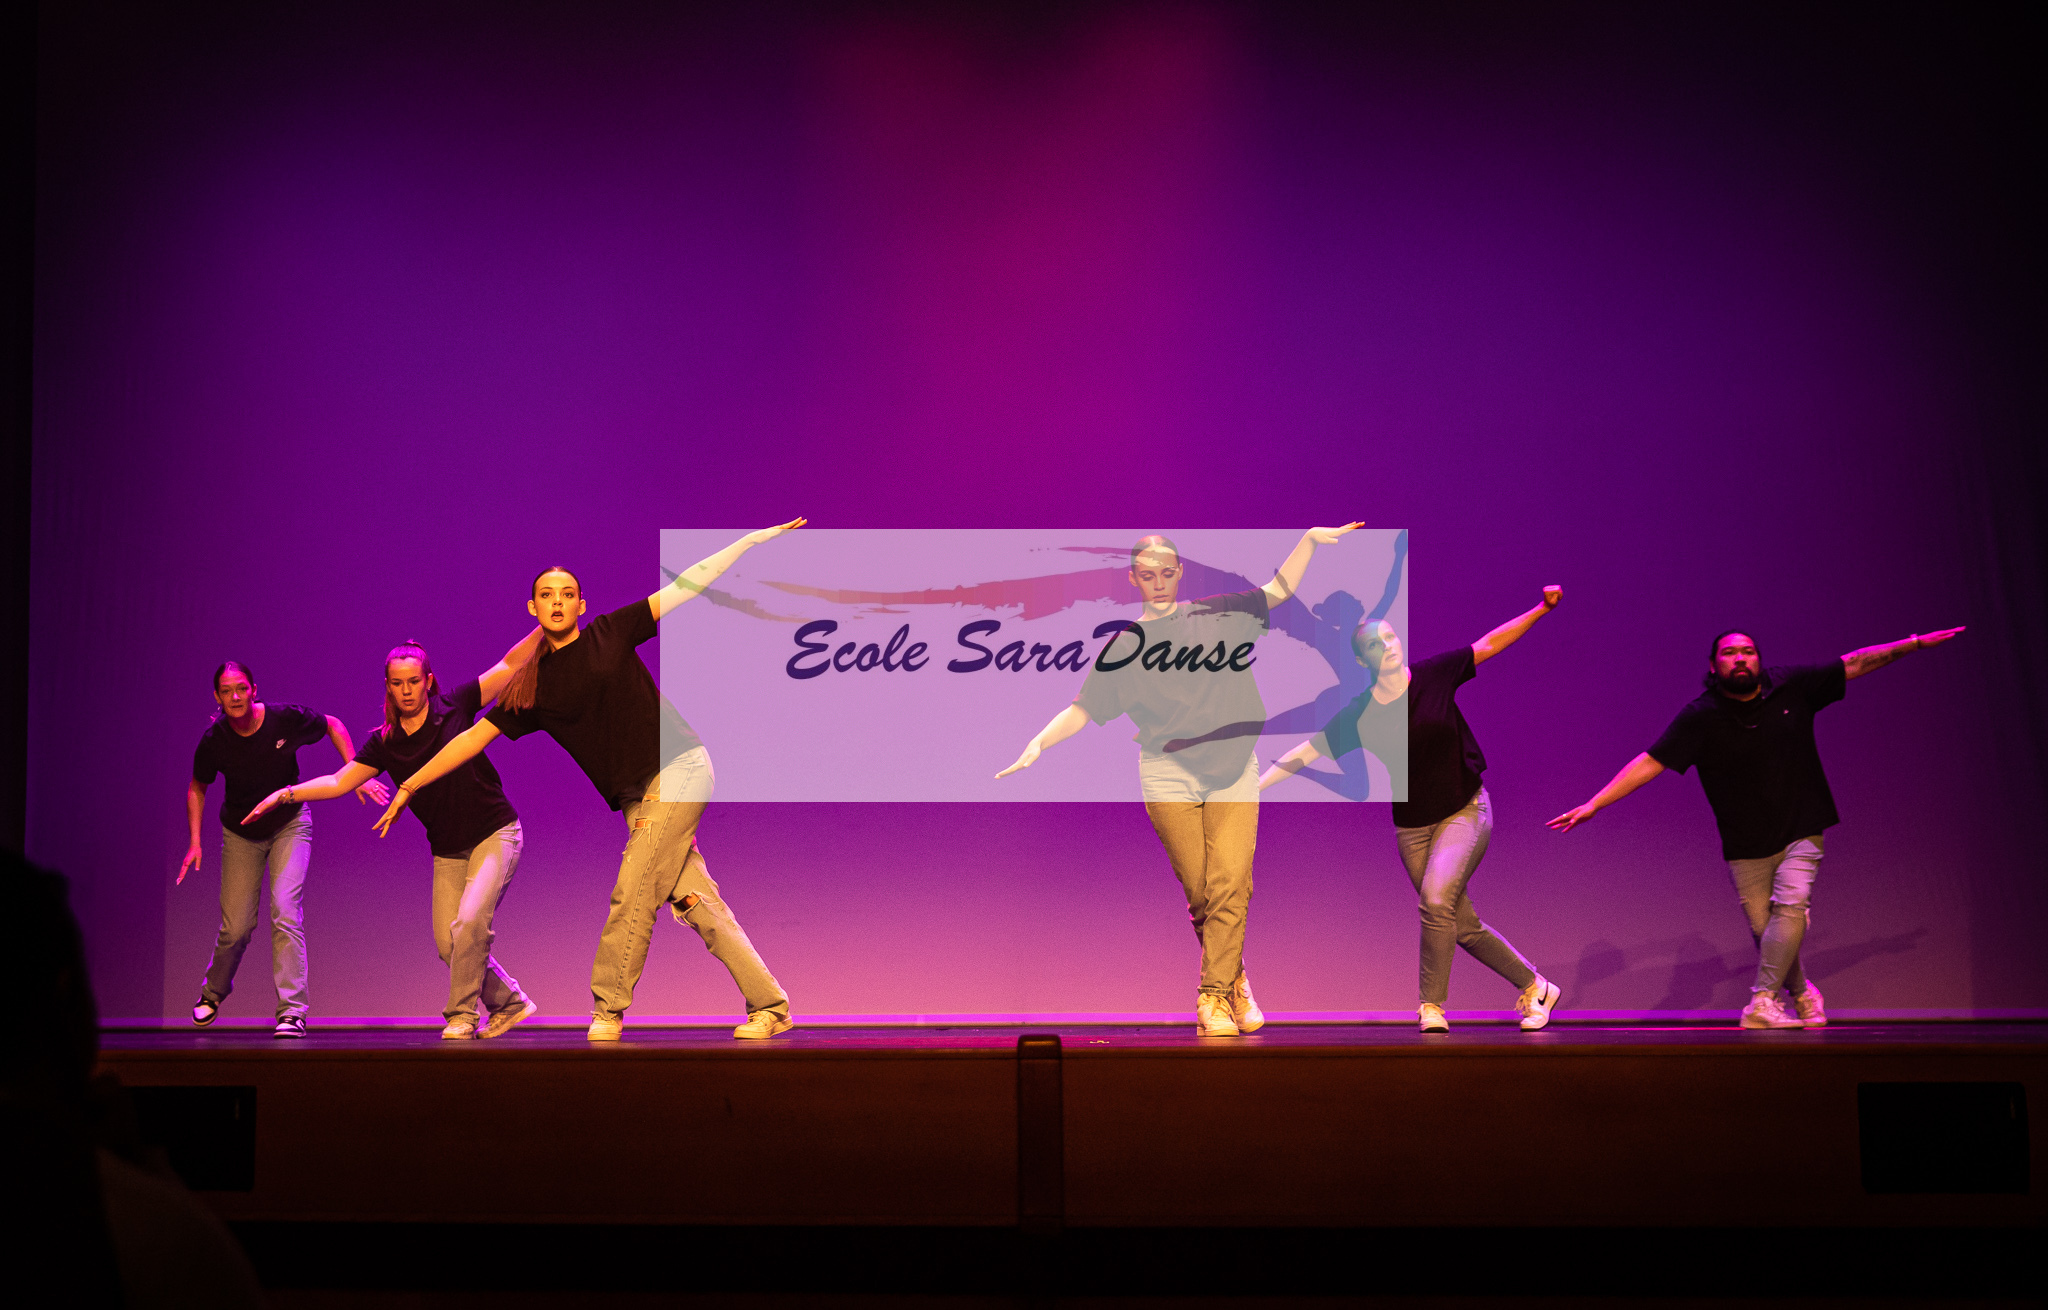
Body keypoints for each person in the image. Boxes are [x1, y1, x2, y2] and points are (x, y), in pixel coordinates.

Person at [373, 521, 805, 1041]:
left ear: (581, 604)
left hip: (680, 767)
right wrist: (409, 785)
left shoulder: (610, 631)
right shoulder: (531, 687)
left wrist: (749, 542)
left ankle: (608, 1008)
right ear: (532, 609)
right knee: (694, 900)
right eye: (546, 595)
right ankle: (771, 1006)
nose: (557, 602)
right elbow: (469, 740)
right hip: (636, 796)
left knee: (633, 888)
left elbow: (686, 585)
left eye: (567, 594)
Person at [998, 525, 1362, 1037]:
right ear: (1133, 579)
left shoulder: (1218, 615)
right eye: (1147, 575)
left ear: (1179, 573)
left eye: (1166, 572)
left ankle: (1211, 997)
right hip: (1168, 774)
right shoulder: (1125, 647)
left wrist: (1307, 541)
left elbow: (1277, 592)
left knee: (1231, 883)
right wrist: (1039, 742)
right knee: (1202, 897)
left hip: (1232, 767)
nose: (1158, 582)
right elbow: (1084, 708)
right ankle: (1235, 978)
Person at [1548, 624, 1966, 1029]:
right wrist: (1595, 803)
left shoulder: (1790, 686)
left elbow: (1853, 664)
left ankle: (1761, 1002)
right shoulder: (1701, 716)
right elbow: (1651, 761)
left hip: (1802, 824)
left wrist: (1913, 644)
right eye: (1729, 653)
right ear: (1713, 666)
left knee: (1792, 907)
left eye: (1748, 651)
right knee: (1769, 932)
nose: (1740, 659)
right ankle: (1802, 993)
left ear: (1759, 660)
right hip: (1745, 841)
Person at [1261, 588, 1566, 1034]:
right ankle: (1536, 986)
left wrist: (1541, 609)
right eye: (1374, 644)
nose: (1387, 646)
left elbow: (1490, 643)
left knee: (1436, 902)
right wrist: (1251, 788)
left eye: (1390, 637)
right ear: (1362, 659)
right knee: (1460, 924)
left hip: (1464, 809)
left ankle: (1431, 1006)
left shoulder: (1434, 675)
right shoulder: (1362, 712)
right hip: (1413, 829)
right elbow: (1306, 753)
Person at [241, 630, 544, 1039]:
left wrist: (546, 626)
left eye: (414, 681)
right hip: (448, 850)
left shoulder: (454, 706)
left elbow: (509, 665)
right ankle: (508, 1002)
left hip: (495, 832)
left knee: (470, 922)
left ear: (428, 681)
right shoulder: (385, 742)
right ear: (388, 686)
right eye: (398, 683)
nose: (406, 690)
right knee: (449, 945)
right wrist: (285, 794)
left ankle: (460, 1015)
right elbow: (339, 781)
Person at [180, 662, 387, 1038]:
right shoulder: (215, 740)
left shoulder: (283, 719)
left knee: (286, 912)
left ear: (253, 690)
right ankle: (212, 993)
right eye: (227, 691)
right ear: (218, 697)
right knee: (237, 927)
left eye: (241, 689)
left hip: (289, 825)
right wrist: (195, 841)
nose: (235, 697)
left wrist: (354, 773)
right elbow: (197, 787)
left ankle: (292, 1011)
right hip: (241, 835)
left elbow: (333, 725)